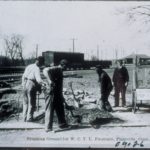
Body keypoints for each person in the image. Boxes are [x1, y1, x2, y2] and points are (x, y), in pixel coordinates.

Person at [43, 59, 70, 132]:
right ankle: (48, 128)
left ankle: (62, 124)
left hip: (57, 92)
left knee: (60, 107)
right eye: (66, 66)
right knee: (50, 109)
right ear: (63, 65)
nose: (67, 68)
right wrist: (49, 80)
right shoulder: (57, 68)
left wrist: (61, 96)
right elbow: (45, 70)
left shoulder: (61, 71)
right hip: (51, 92)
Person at [22, 56, 44, 122]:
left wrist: (23, 84)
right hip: (31, 84)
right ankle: (29, 118)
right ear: (40, 62)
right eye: (41, 63)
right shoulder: (37, 68)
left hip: (25, 83)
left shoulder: (29, 66)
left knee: (25, 102)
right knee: (31, 102)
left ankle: (24, 118)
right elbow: (38, 80)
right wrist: (44, 83)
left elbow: (23, 76)